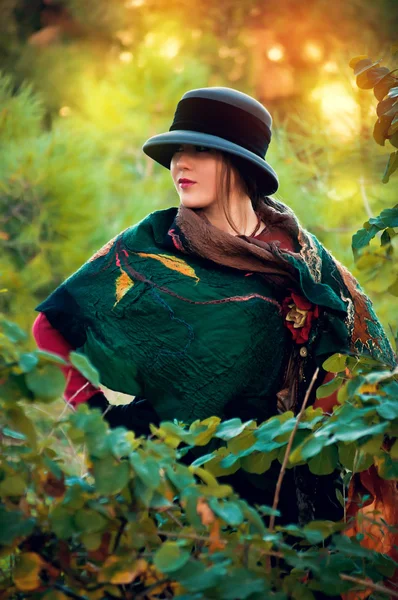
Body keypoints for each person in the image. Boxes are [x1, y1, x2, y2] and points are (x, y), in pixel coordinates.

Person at [32, 87, 396, 532]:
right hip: (186, 485)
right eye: (177, 150)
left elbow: (363, 364)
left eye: (200, 150)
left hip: (293, 490)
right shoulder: (149, 247)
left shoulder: (305, 258)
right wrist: (101, 418)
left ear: (240, 163)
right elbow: (50, 327)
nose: (181, 163)